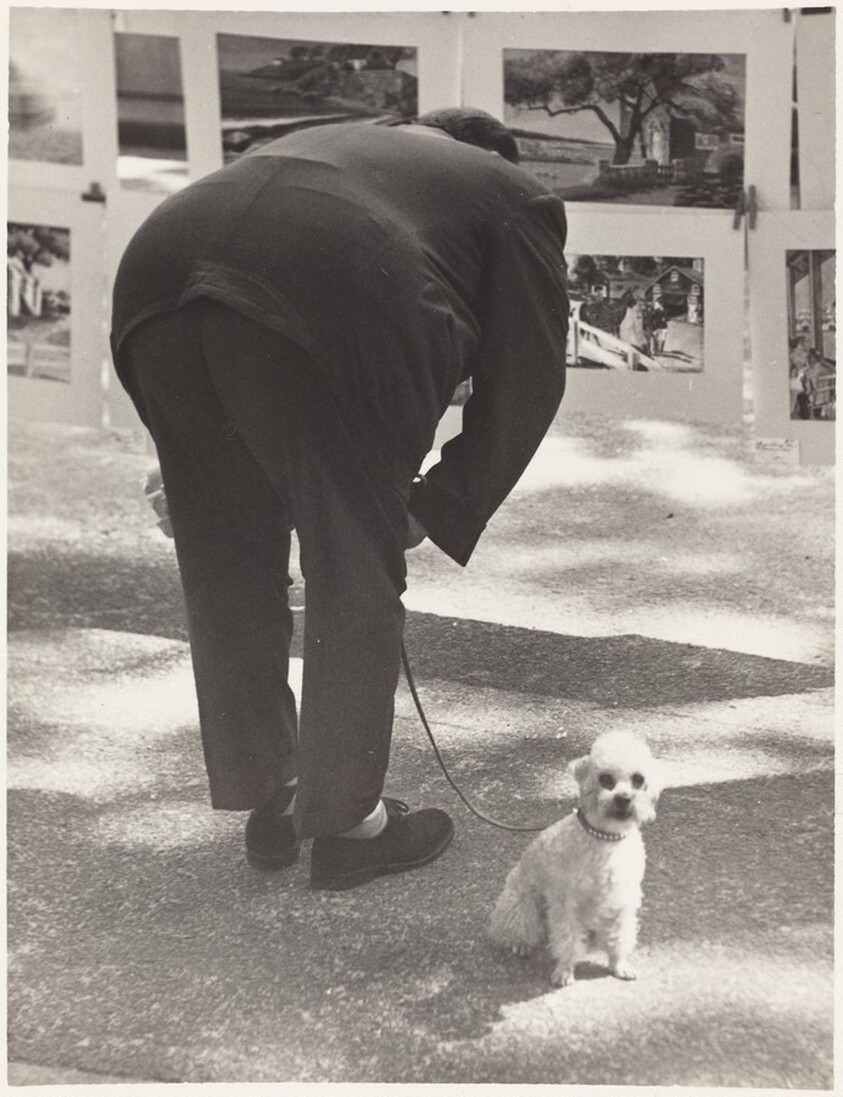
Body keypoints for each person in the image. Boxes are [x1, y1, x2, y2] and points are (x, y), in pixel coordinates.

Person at [110, 107, 569, 891]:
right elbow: (528, 378)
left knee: (226, 554)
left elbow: (237, 288)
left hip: (153, 281)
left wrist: (192, 463)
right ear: (488, 154)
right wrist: (438, 504)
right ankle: (351, 825)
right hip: (329, 295)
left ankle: (274, 792)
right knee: (352, 565)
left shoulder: (312, 146)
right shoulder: (510, 191)